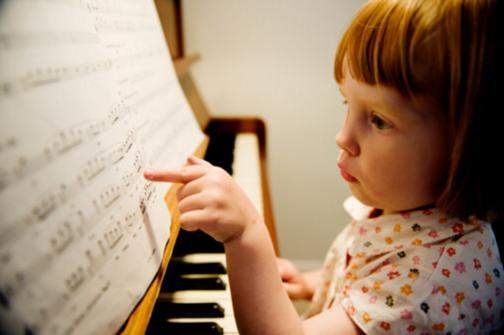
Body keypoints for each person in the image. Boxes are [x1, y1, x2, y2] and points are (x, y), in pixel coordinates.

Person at [144, 0, 503, 333]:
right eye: (347, 102)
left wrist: (247, 235)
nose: (343, 137)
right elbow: (370, 271)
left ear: (466, 145)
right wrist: (314, 282)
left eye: (378, 120)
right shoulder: (413, 206)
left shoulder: (429, 285)